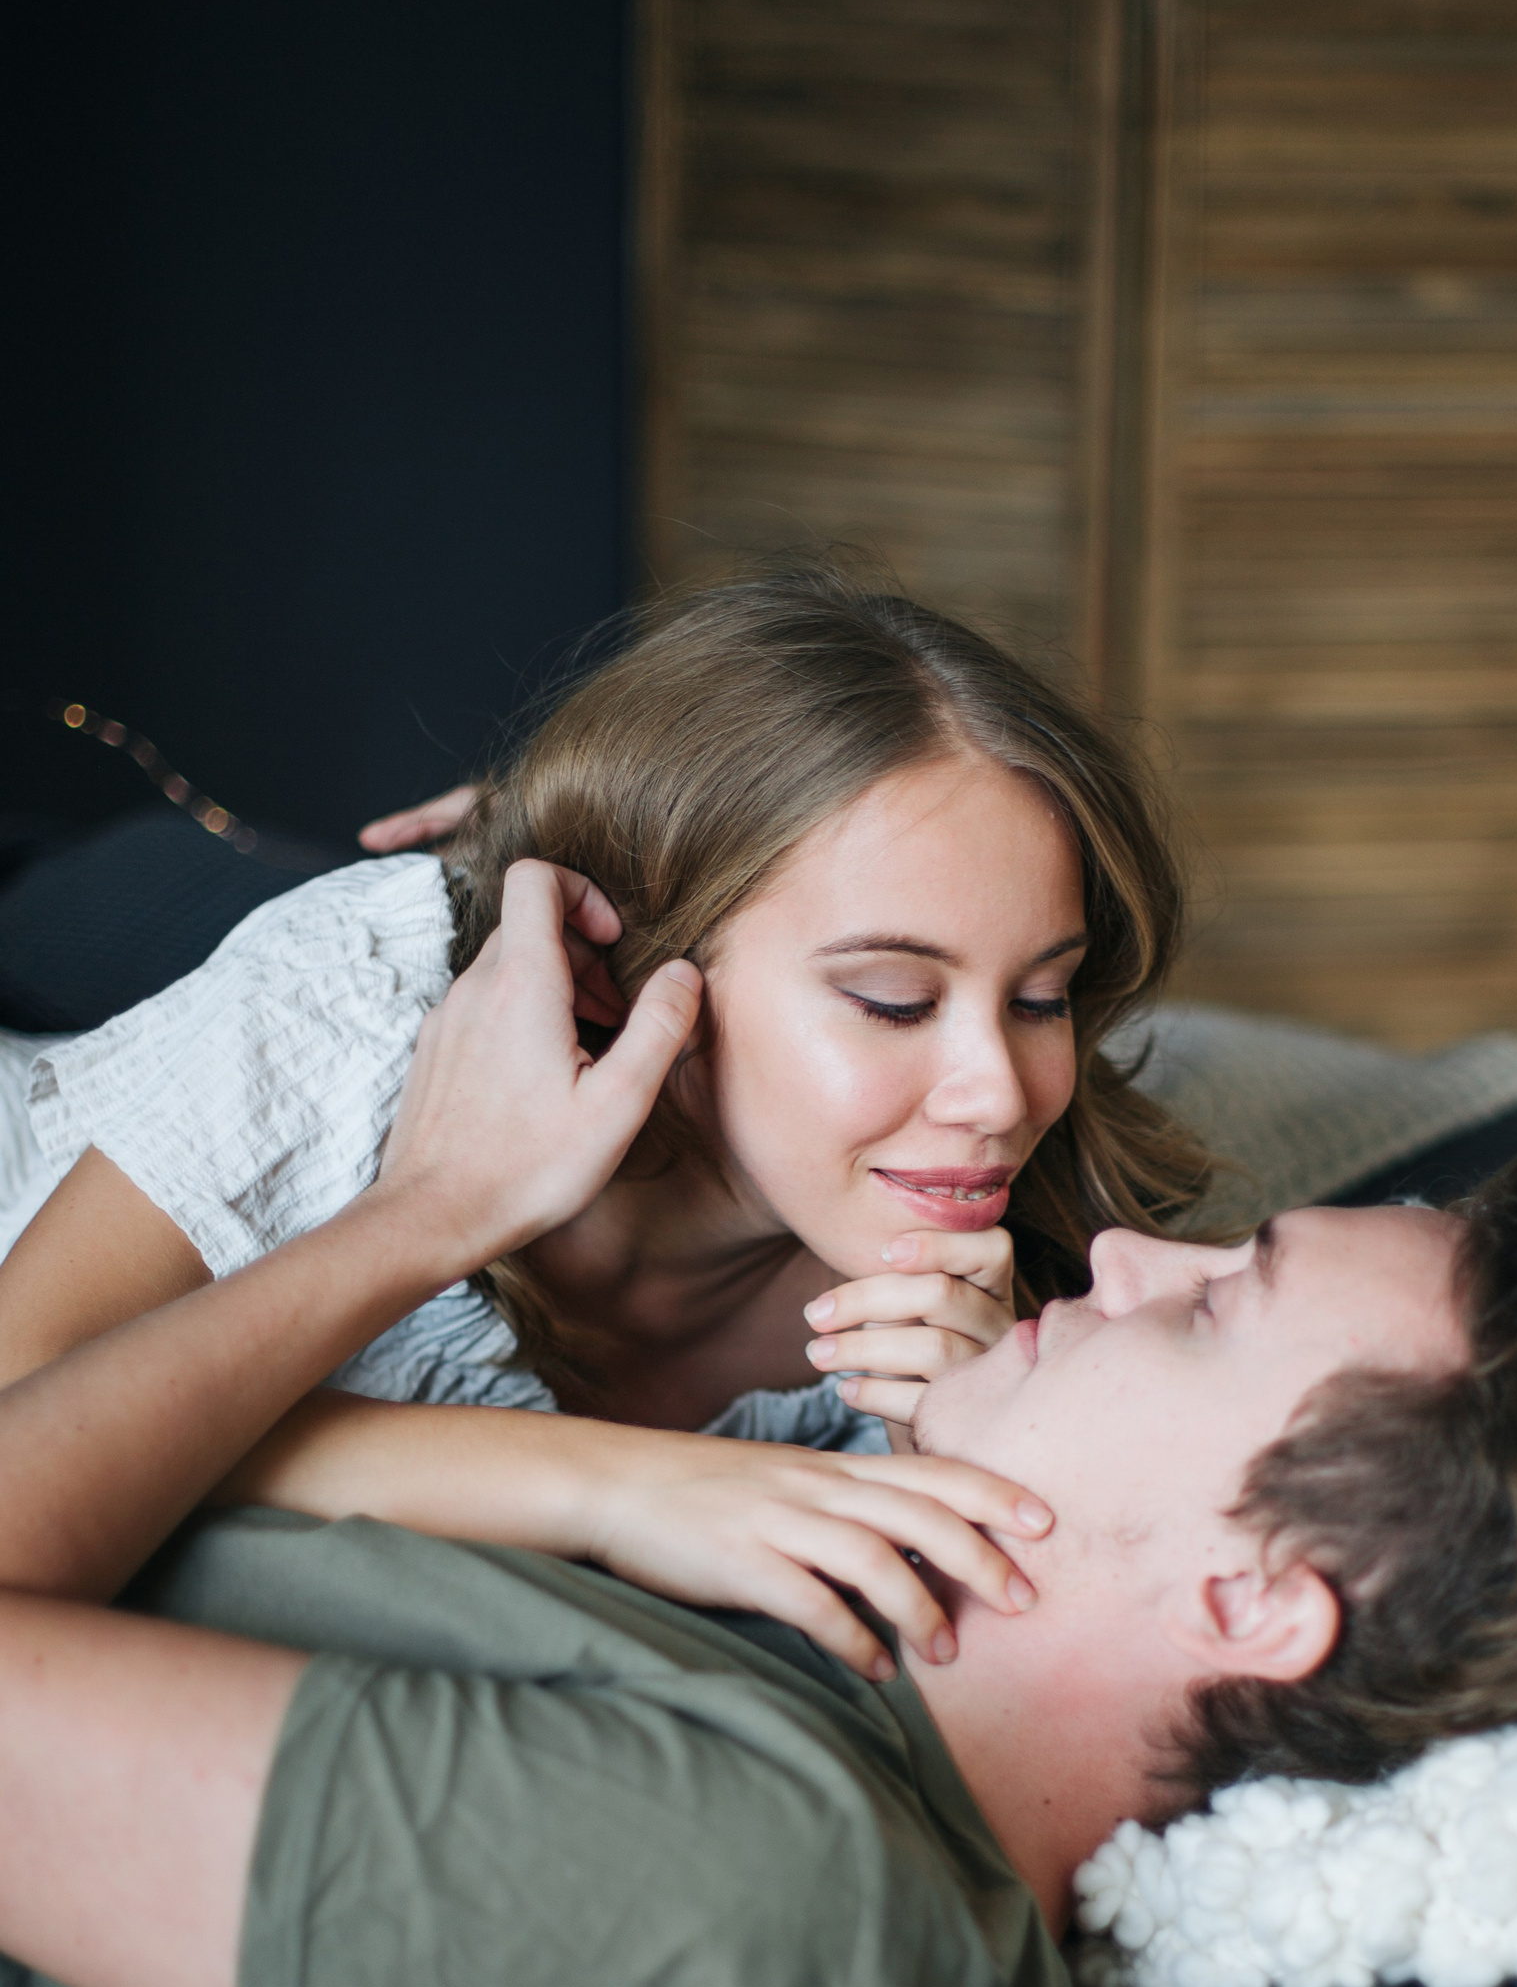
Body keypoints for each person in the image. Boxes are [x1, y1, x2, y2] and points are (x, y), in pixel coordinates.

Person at [0, 863, 1517, 1987]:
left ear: (1255, 1602)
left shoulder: (746, 1903)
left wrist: (428, 1217)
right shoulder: (798, 1631)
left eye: (1217, 1309)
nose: (1123, 1263)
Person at [0, 567, 1208, 1679]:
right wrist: (447, 1233)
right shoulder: (363, 1006)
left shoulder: (1026, 1300)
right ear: (631, 976)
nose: (1002, 1094)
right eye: (894, 1000)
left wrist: (962, 1450)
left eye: (1041, 998)